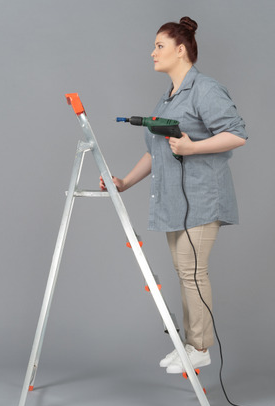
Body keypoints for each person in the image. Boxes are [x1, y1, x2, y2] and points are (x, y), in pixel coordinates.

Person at [100, 16, 247, 373]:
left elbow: (237, 133)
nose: (152, 53)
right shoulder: (165, 100)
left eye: (159, 46)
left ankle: (199, 346)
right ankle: (191, 345)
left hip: (202, 198)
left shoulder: (206, 90)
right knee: (186, 273)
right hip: (174, 203)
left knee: (192, 273)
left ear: (181, 50)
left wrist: (193, 148)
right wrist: (124, 183)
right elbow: (156, 151)